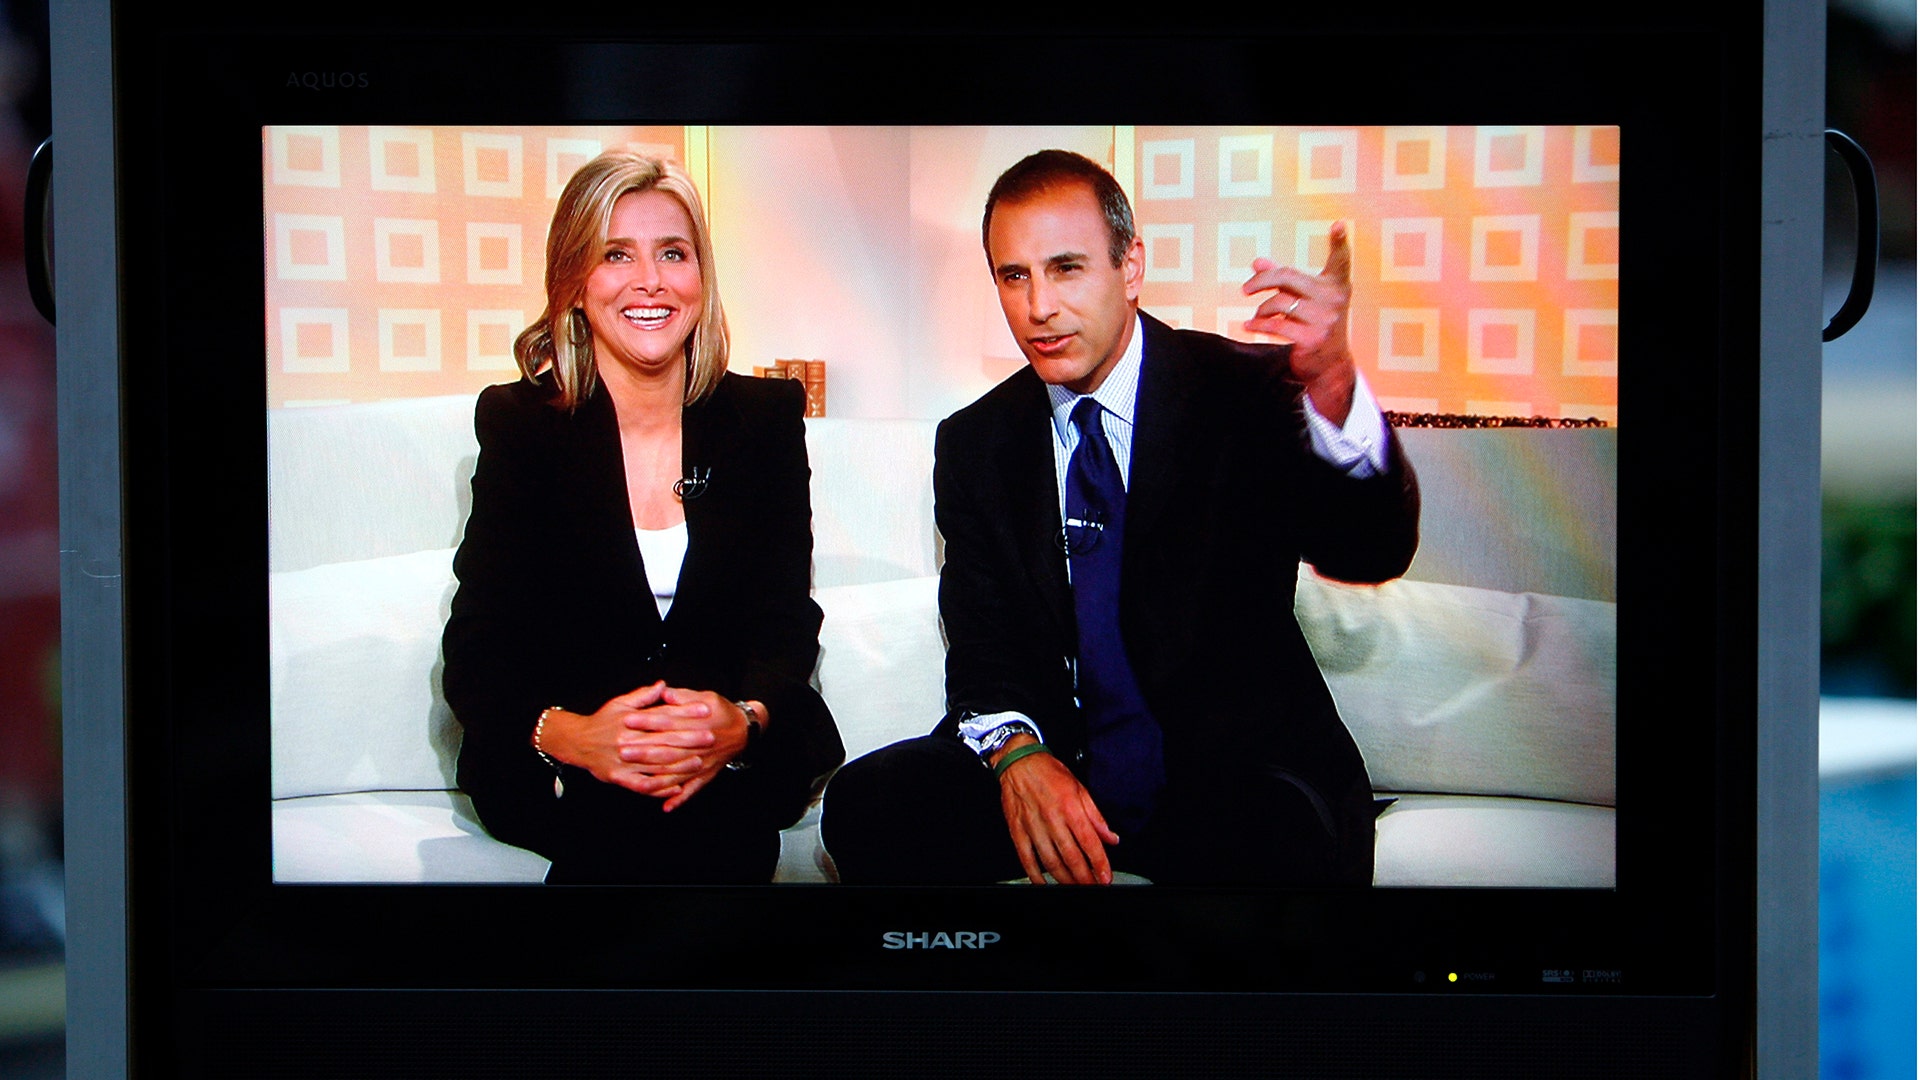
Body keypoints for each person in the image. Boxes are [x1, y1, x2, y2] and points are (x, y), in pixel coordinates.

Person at [822, 149, 1418, 887]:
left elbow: (1371, 548)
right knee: (869, 803)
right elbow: (984, 641)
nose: (1038, 306)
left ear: (1129, 267)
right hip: (1062, 765)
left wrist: (1331, 383)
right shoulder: (977, 441)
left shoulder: (1241, 393)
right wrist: (1019, 756)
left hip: (1230, 776)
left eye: (1066, 268)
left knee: (1275, 843)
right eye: (1015, 276)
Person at [441, 149, 843, 884]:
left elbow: (786, 618)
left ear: (700, 276)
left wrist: (743, 719)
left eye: (673, 254)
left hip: (729, 749)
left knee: (713, 816)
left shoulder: (764, 420)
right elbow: (478, 645)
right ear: (574, 283)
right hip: (573, 757)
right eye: (615, 254)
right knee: (644, 822)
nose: (650, 281)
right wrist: (577, 737)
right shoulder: (521, 425)